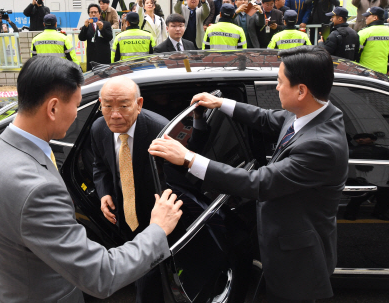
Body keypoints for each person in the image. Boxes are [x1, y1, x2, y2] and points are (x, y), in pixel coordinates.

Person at [0, 56, 183, 303]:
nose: (77, 115)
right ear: (53, 108)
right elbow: (102, 275)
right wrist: (158, 229)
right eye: (77, 104)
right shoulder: (39, 191)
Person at [149, 46, 349, 303]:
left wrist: (188, 158)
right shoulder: (314, 113)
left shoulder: (321, 145)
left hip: (297, 257)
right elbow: (266, 118)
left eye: (280, 82)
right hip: (282, 240)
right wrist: (221, 103)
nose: (276, 88)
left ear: (301, 91)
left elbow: (259, 182)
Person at [91, 76, 170, 303]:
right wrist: (104, 193)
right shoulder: (99, 128)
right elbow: (100, 166)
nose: (115, 114)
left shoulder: (160, 130)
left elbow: (176, 179)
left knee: (149, 279)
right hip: (123, 213)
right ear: (100, 104)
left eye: (124, 106)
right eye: (107, 106)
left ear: (139, 104)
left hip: (155, 215)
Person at [357, 7, 389, 74]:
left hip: (364, 71)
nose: (365, 18)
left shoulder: (364, 32)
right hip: (383, 72)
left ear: (375, 17)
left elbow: (356, 53)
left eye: (367, 16)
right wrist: (388, 69)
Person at [78, 3, 113, 70]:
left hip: (103, 56)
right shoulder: (87, 25)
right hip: (91, 57)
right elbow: (81, 38)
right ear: (89, 14)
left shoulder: (106, 24)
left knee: (105, 76)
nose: (93, 14)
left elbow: (109, 37)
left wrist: (102, 28)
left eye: (95, 12)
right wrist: (85, 27)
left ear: (99, 13)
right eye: (91, 12)